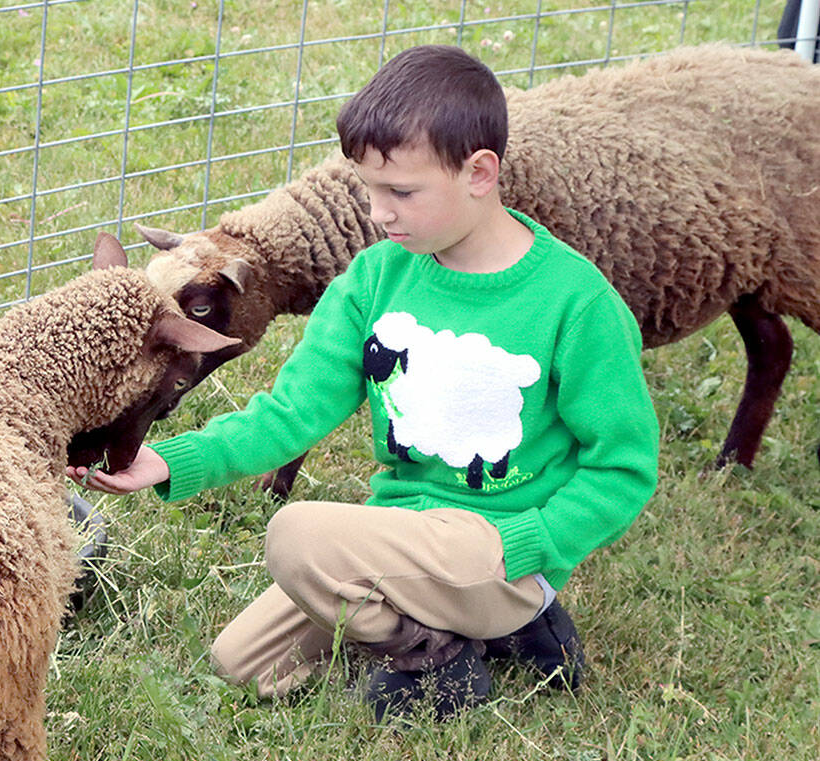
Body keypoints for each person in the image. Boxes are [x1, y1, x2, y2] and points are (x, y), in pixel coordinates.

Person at [68, 44, 659, 722]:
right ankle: (454, 634)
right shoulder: (375, 279)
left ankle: (458, 646)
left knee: (296, 538)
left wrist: (534, 543)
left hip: (502, 549)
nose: (379, 213)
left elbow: (623, 465)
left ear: (479, 173)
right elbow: (289, 412)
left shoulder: (573, 300)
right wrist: (167, 461)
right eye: (370, 189)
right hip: (398, 535)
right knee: (246, 664)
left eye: (402, 192)